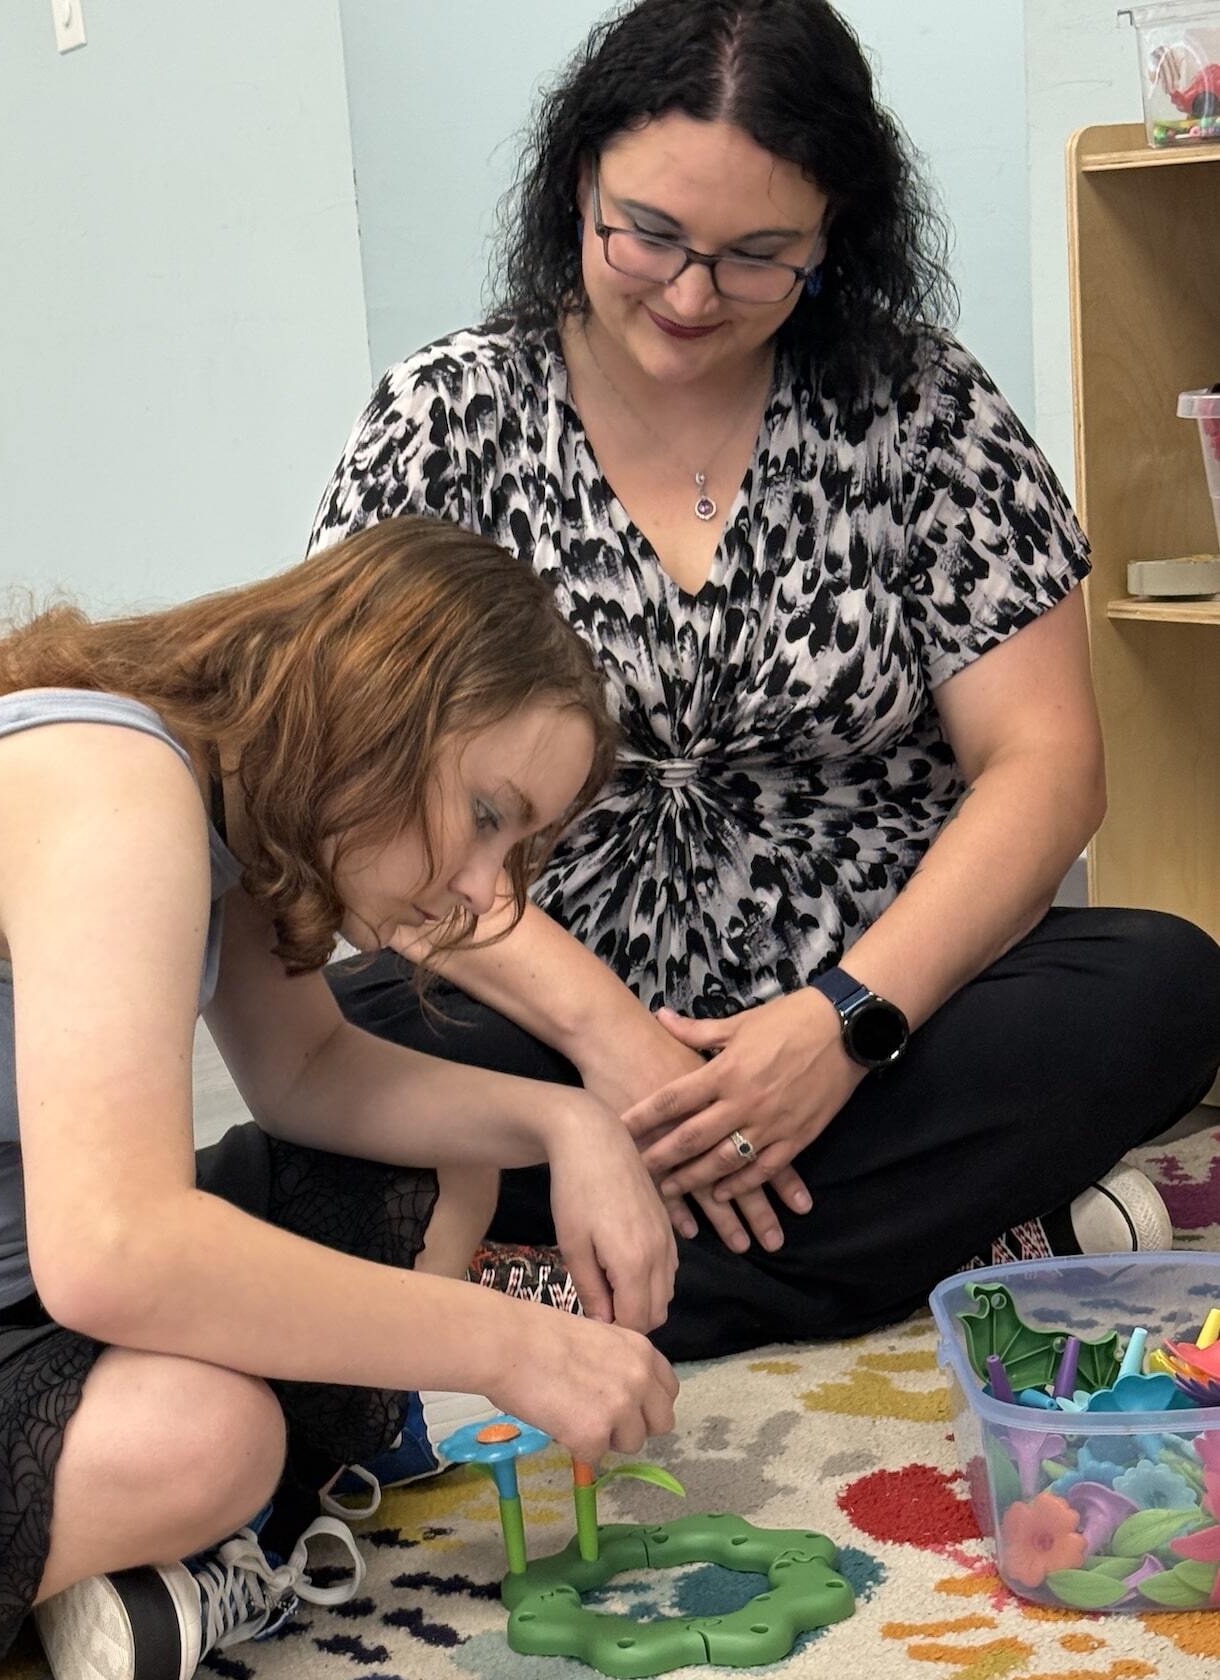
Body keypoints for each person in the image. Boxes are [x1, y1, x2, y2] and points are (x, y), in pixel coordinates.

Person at [312, 0, 1220, 1420]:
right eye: (649, 236)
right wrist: (614, 1043)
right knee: (355, 1030)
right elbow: (361, 805)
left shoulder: (922, 407)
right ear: (577, 189)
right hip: (552, 1004)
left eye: (757, 257)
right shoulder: (446, 417)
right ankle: (975, 1242)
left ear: (834, 235)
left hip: (886, 1013)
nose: (689, 295)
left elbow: (1046, 767)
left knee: (1160, 982)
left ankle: (565, 1280)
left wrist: (842, 1025)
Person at [0, 517, 679, 1680]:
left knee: (446, 1154)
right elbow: (113, 1251)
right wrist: (506, 1343)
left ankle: (124, 1548)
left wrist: (570, 1120)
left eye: (522, 846)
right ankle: (173, 1527)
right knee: (208, 1436)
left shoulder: (223, 796)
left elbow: (311, 1070)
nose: (490, 891)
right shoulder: (111, 799)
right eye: (487, 812)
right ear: (376, 705)